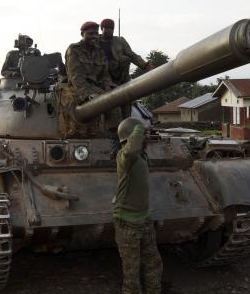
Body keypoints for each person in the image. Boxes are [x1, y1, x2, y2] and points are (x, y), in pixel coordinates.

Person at [113, 117, 162, 294]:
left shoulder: (141, 156)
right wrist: (139, 129)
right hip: (127, 222)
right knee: (131, 274)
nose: (146, 138)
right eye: (143, 136)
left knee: (154, 264)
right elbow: (130, 151)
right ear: (133, 137)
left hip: (143, 220)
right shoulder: (125, 157)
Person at [99, 19, 154, 118]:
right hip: (102, 75)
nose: (108, 31)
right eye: (106, 28)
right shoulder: (95, 41)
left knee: (125, 59)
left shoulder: (119, 41)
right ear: (101, 28)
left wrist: (145, 65)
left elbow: (132, 55)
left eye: (111, 29)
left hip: (120, 74)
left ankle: (126, 121)